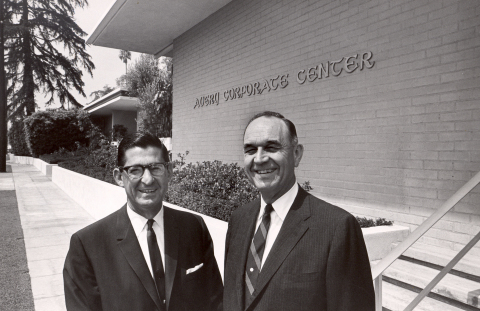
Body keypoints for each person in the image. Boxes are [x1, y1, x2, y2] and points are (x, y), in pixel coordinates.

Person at [223, 111, 375, 311]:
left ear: (296, 154)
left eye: (271, 147)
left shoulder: (336, 228)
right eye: (250, 150)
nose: (259, 159)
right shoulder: (239, 220)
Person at [63, 132, 223, 311]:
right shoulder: (88, 245)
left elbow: (215, 302)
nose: (148, 179)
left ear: (168, 171)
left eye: (156, 168)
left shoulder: (194, 228)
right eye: (135, 170)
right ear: (118, 177)